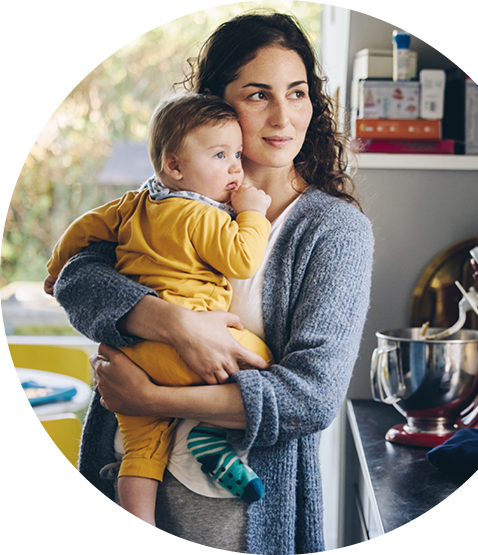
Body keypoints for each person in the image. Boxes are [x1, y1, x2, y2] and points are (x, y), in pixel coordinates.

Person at [53, 10, 374, 555]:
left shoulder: (334, 230)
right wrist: (174, 324)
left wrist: (152, 396)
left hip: (237, 523)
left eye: (297, 93)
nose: (283, 117)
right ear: (218, 104)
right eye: (257, 95)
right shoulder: (172, 192)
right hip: (122, 485)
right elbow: (77, 277)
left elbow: (312, 397)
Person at [44, 93, 273, 526]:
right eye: (221, 155)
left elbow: (83, 230)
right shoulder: (202, 216)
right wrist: (253, 214)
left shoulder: (131, 205)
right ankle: (211, 435)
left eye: (238, 155)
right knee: (260, 355)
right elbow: (242, 259)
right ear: (174, 166)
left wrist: (56, 267)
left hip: (133, 356)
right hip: (187, 356)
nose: (235, 168)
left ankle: (139, 525)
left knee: (141, 449)